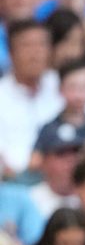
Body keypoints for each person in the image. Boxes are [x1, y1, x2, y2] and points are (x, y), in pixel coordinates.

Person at [0, 20, 62, 177]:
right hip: (14, 180)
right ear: (11, 52)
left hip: (62, 179)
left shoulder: (62, 86)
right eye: (26, 45)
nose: (35, 53)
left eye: (41, 45)